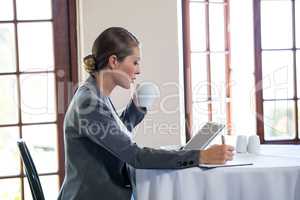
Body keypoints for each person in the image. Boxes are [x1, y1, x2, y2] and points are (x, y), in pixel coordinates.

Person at [58, 27, 234, 200]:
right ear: (114, 61)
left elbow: (112, 136)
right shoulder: (90, 102)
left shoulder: (95, 94)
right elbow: (134, 156)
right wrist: (200, 156)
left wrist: (136, 108)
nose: (139, 70)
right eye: (135, 62)